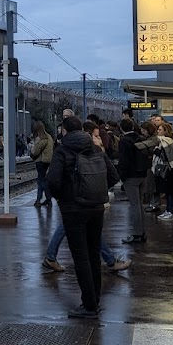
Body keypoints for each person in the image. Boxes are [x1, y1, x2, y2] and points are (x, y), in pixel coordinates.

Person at [46, 116, 121, 318]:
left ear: (64, 131)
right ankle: (94, 300)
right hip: (96, 208)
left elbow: (52, 181)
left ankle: (88, 306)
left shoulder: (62, 150)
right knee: (93, 254)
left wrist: (63, 198)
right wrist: (96, 193)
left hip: (73, 210)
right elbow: (114, 176)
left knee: (80, 257)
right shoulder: (95, 148)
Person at [117, 118, 149, 243]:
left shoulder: (124, 141)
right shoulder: (141, 138)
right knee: (139, 204)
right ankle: (142, 231)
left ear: (121, 128)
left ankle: (136, 234)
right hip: (142, 174)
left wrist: (122, 176)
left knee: (134, 205)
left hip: (130, 176)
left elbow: (124, 161)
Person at [29, 121, 54, 206]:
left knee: (41, 180)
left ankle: (48, 197)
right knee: (41, 180)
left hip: (40, 161)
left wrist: (32, 148)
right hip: (47, 161)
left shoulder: (40, 138)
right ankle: (38, 200)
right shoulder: (49, 137)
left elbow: (35, 152)